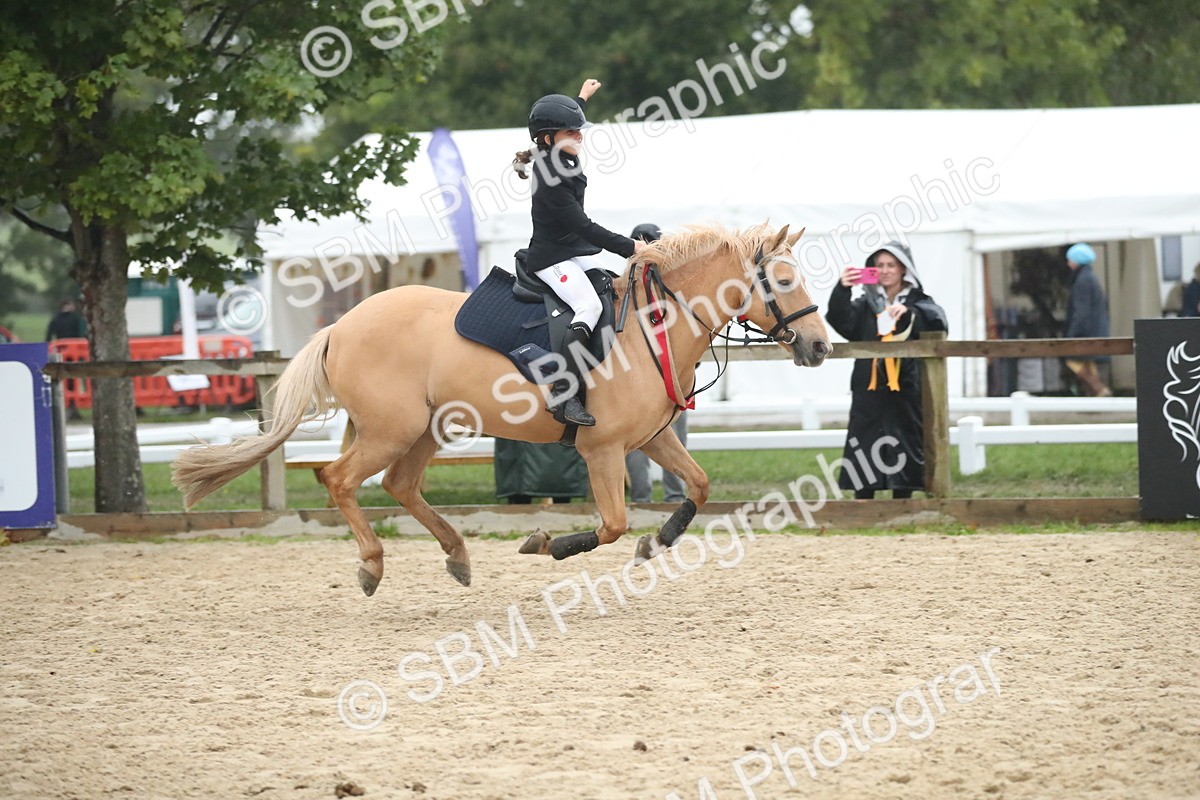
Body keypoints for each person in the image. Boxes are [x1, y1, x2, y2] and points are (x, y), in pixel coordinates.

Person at [513, 80, 646, 427]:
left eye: (579, 130)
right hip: (551, 258)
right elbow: (584, 226)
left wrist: (582, 97)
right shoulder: (549, 178)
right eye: (571, 132)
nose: (579, 136)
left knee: (612, 286)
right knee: (588, 305)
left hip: (573, 250)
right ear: (548, 139)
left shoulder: (557, 150)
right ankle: (563, 393)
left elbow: (562, 118)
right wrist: (631, 247)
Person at [826, 242, 948, 499]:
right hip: (868, 386)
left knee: (904, 436)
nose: (885, 270)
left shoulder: (919, 301)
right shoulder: (865, 303)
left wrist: (909, 312)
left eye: (891, 265)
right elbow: (840, 320)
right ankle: (863, 498)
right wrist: (842, 289)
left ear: (904, 269)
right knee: (866, 438)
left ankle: (902, 496)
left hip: (905, 384)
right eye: (879, 265)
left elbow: (938, 320)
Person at [622, 222, 689, 503]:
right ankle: (669, 496)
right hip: (663, 374)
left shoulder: (625, 284)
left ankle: (644, 498)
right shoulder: (673, 287)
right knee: (671, 440)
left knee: (645, 441)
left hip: (643, 376)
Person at [1062, 243, 1112, 397]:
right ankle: (1094, 397)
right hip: (1094, 330)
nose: (1068, 263)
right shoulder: (1090, 278)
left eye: (1070, 259)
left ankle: (1098, 389)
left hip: (1085, 332)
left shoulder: (1081, 281)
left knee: (1073, 361)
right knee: (1089, 365)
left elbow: (1081, 311)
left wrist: (1072, 334)